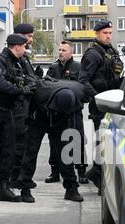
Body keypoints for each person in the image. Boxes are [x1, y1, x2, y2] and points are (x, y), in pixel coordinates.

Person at [0, 34, 34, 206]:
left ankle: (4, 188)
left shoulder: (17, 62)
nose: (25, 49)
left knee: (9, 151)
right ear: (17, 46)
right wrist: (20, 90)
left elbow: (27, 79)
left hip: (7, 112)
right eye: (24, 46)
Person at [17, 79, 85, 203]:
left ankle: (71, 188)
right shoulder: (40, 91)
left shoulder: (79, 92)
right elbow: (26, 104)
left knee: (66, 153)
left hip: (61, 120)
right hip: (39, 118)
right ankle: (25, 188)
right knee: (30, 152)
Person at [79, 20, 123, 194]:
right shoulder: (92, 54)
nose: (108, 36)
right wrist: (99, 98)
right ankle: (99, 177)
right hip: (101, 105)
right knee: (102, 143)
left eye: (110, 33)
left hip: (113, 104)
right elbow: (83, 81)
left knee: (108, 144)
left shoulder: (111, 51)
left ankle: (97, 173)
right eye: (105, 33)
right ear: (96, 34)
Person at [45, 40, 88, 185]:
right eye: (59, 50)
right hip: (56, 111)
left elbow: (83, 87)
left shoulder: (78, 67)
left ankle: (81, 172)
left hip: (73, 110)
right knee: (55, 142)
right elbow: (47, 86)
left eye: (64, 50)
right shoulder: (53, 67)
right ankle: (55, 172)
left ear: (71, 52)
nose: (60, 53)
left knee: (76, 140)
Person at [9, 23, 37, 189]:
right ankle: (14, 178)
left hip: (25, 106)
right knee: (17, 145)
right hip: (17, 107)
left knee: (24, 144)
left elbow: (28, 77)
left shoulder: (24, 57)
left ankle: (20, 177)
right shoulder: (14, 58)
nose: (31, 39)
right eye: (29, 36)